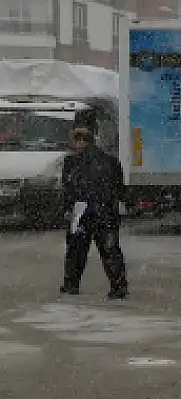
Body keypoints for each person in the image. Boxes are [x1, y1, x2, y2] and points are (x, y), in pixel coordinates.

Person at [60, 125, 128, 299]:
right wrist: (118, 205)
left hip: (81, 211)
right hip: (105, 211)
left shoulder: (71, 162)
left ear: (80, 141)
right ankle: (119, 287)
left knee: (76, 251)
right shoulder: (111, 161)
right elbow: (120, 187)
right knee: (110, 250)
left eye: (75, 140)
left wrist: (67, 209)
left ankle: (71, 285)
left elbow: (68, 189)